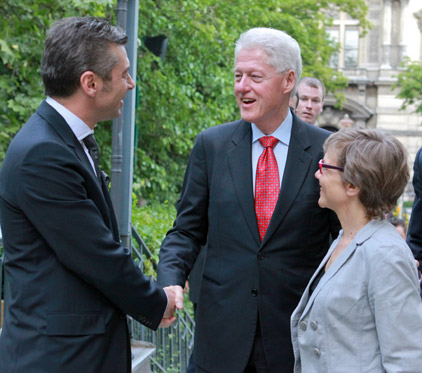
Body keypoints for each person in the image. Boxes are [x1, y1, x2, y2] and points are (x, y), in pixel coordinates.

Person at [0, 17, 181, 373]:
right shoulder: (43, 154)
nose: (131, 84)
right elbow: (96, 254)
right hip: (56, 359)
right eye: (125, 74)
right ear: (91, 83)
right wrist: (158, 301)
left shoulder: (64, 141)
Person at [157, 27, 340, 372]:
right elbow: (186, 231)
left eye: (255, 77)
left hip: (296, 342)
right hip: (220, 341)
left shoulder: (325, 150)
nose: (242, 87)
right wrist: (169, 280)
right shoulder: (211, 146)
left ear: (288, 81)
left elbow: (344, 237)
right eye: (238, 76)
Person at [291, 128, 422, 372]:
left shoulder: (385, 253)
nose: (317, 174)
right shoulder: (346, 238)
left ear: (353, 185)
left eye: (325, 167)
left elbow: (406, 362)